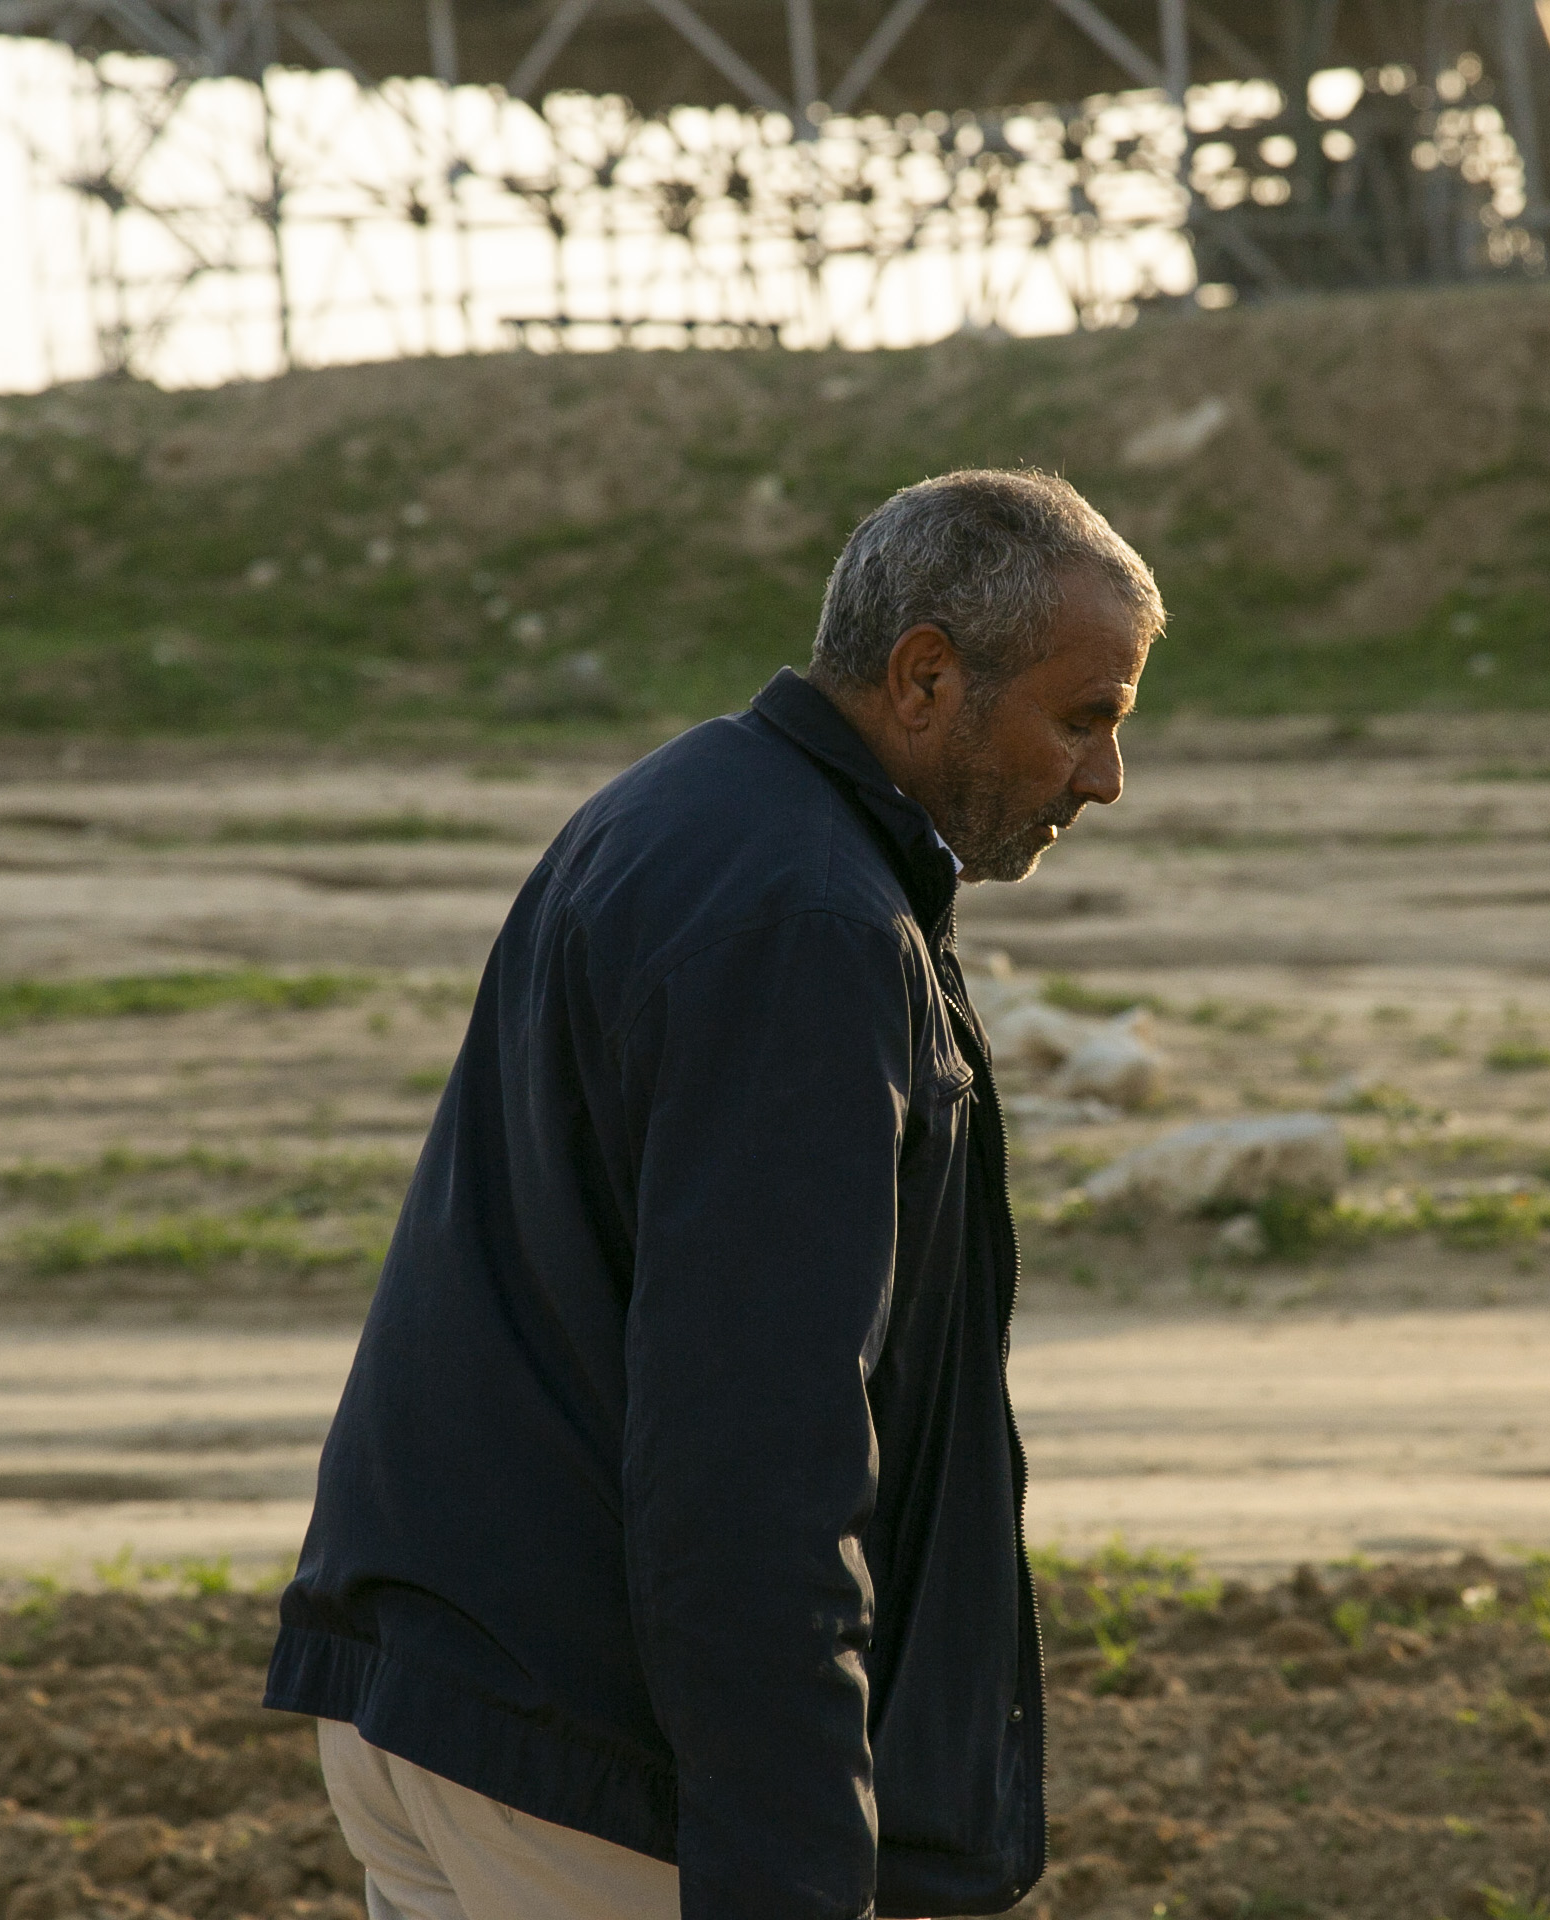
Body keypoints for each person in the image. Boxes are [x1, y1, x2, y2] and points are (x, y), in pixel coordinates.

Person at [265, 469, 1163, 1920]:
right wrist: (793, 1871)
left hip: (444, 1702)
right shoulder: (808, 923)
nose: (1106, 778)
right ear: (926, 674)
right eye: (1085, 718)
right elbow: (754, 1451)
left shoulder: (687, 814)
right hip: (589, 1766)